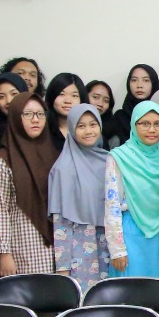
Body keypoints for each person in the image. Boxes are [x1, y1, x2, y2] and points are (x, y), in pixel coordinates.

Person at [0, 92, 57, 277]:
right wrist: (4, 253)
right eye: (27, 114)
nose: (35, 120)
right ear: (15, 117)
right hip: (22, 245)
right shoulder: (3, 159)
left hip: (57, 247)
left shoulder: (55, 155)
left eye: (40, 114)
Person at [48, 104, 111, 292]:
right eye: (81, 126)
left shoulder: (110, 160)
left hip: (109, 244)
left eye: (93, 124)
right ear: (72, 128)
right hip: (81, 246)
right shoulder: (63, 168)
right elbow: (61, 224)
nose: (88, 131)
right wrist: (63, 269)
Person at [105, 101, 159, 280]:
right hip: (130, 234)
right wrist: (117, 250)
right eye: (145, 124)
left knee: (158, 290)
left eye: (157, 124)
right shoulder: (119, 157)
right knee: (129, 294)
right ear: (134, 124)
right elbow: (112, 204)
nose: (152, 129)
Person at [110, 64, 159, 145]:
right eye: (134, 80)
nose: (139, 86)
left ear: (153, 84)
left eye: (146, 80)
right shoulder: (120, 117)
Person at [44, 72, 88, 152]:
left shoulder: (91, 131)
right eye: (61, 94)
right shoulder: (42, 130)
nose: (68, 101)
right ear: (52, 97)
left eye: (74, 96)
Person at [86, 80, 120, 148]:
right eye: (95, 97)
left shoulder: (112, 137)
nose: (100, 104)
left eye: (106, 101)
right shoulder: (72, 125)